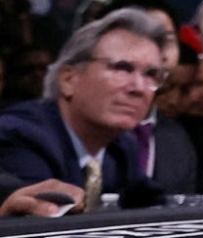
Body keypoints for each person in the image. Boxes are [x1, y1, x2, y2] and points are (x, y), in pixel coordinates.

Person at [0, 11, 178, 212]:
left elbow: (156, 207)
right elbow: (40, 227)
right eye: (122, 68)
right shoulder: (22, 136)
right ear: (69, 80)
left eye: (151, 74)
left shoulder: (120, 147)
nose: (138, 87)